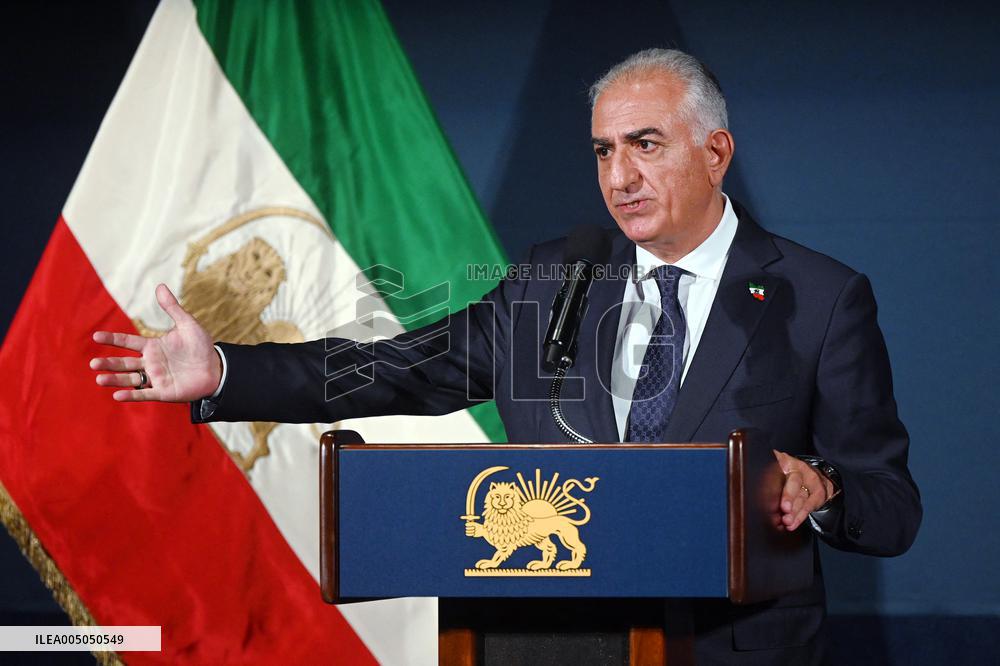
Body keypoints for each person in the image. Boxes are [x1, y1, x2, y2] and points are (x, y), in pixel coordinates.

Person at [91, 48, 920, 664]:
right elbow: (400, 367)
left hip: (736, 650)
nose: (620, 175)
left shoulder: (819, 298)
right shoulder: (554, 278)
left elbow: (891, 505)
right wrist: (230, 370)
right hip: (547, 643)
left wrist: (822, 489)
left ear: (715, 152)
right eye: (603, 151)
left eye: (646, 144)